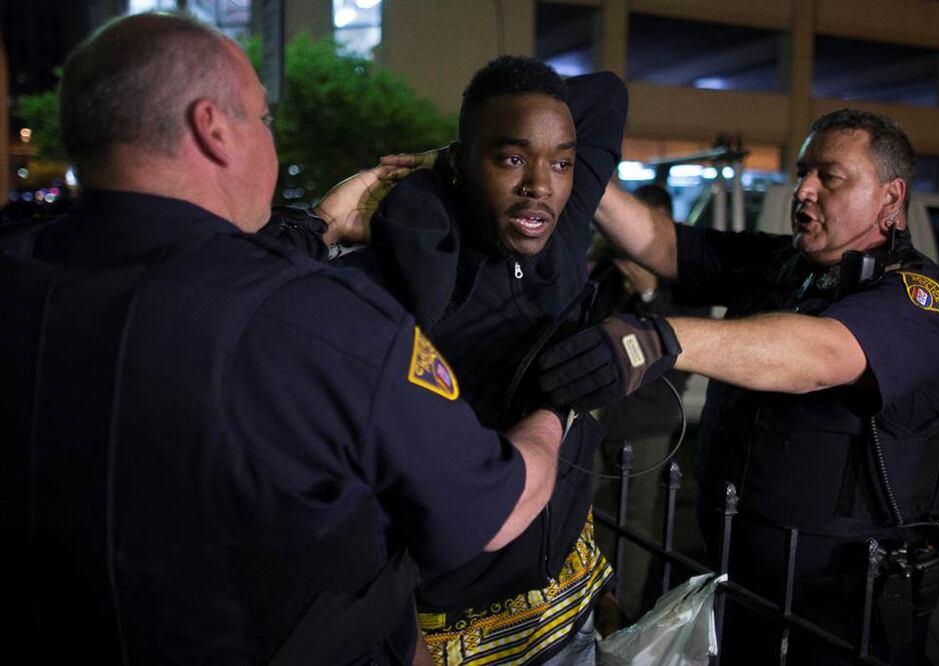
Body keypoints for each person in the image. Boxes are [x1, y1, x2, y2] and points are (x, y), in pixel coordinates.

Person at [0, 14, 569, 665]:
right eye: (263, 119)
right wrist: (554, 409)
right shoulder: (324, 323)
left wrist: (317, 223)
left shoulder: (22, 270)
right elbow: (493, 509)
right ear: (213, 128)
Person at [539, 109, 939, 664]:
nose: (804, 190)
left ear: (891, 197)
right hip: (741, 589)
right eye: (802, 173)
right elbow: (665, 244)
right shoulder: (787, 263)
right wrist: (572, 170)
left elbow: (818, 355)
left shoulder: (921, 302)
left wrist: (656, 339)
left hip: (840, 618)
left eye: (829, 177)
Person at [327, 57, 626, 664]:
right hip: (453, 637)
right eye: (511, 159)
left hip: (569, 612)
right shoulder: (396, 277)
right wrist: (322, 224)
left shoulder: (563, 230)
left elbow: (605, 94)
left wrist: (455, 151)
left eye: (561, 163)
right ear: (464, 165)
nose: (540, 185)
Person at [587, 184, 691, 623]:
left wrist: (649, 294)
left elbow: (683, 345)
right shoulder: (609, 271)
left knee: (636, 520)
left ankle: (622, 611)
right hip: (599, 412)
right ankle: (585, 600)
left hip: (649, 417)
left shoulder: (683, 274)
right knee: (584, 509)